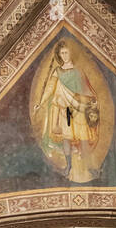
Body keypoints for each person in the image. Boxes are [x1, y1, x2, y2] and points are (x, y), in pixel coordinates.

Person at [32, 42, 100, 182]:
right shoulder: (57, 71)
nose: (64, 56)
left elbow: (87, 88)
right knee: (67, 138)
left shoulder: (78, 70)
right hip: (65, 109)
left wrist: (91, 100)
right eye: (62, 53)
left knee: (83, 137)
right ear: (59, 55)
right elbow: (50, 88)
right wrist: (41, 103)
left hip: (78, 107)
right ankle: (68, 166)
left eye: (66, 52)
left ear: (71, 54)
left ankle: (89, 166)